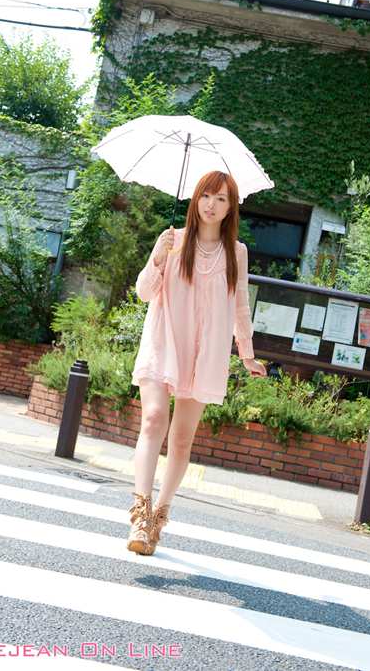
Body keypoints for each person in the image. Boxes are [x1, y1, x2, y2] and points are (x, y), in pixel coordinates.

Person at [127, 170, 267, 555]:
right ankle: (140, 513)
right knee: (154, 419)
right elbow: (144, 293)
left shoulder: (236, 253)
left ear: (230, 207)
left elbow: (240, 305)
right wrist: (158, 257)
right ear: (195, 199)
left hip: (205, 352)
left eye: (221, 198)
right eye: (206, 195)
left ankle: (160, 514)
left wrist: (247, 353)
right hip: (164, 342)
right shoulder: (172, 241)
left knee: (182, 438)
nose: (211, 204)